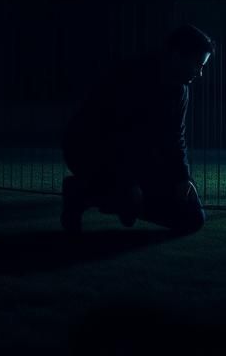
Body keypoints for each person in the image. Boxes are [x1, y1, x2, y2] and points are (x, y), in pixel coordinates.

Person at [60, 24, 215, 235]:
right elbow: (112, 134)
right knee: (129, 194)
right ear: (178, 55)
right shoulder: (131, 76)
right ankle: (82, 191)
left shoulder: (180, 91)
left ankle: (126, 201)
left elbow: (175, 137)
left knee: (193, 218)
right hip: (91, 151)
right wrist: (128, 180)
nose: (200, 72)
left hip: (137, 158)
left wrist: (182, 178)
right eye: (198, 64)